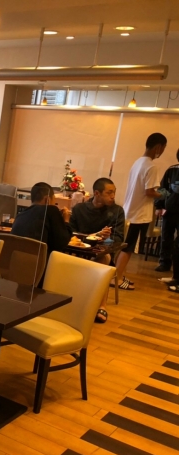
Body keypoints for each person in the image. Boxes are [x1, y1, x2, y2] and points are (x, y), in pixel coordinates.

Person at [69, 177, 126, 323]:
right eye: (109, 192)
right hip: (80, 249)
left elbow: (118, 238)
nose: (113, 196)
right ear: (97, 193)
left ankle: (102, 306)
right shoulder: (79, 209)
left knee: (103, 260)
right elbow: (71, 234)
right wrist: (93, 236)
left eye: (114, 192)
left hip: (102, 251)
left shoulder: (117, 211)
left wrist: (106, 238)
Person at [116, 132, 166, 290]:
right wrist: (164, 194)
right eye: (163, 148)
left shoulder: (138, 162)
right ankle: (117, 279)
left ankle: (119, 275)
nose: (162, 152)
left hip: (129, 211)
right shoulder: (151, 166)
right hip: (138, 214)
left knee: (126, 247)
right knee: (128, 248)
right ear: (158, 147)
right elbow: (149, 192)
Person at [11, 182, 72, 257]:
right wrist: (66, 220)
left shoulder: (19, 216)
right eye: (54, 202)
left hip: (16, 261)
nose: (54, 204)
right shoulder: (51, 210)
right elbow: (62, 243)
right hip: (40, 262)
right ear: (47, 200)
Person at [156, 149, 179, 273]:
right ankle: (164, 263)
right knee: (166, 237)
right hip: (169, 210)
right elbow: (163, 189)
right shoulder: (172, 170)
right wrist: (158, 206)